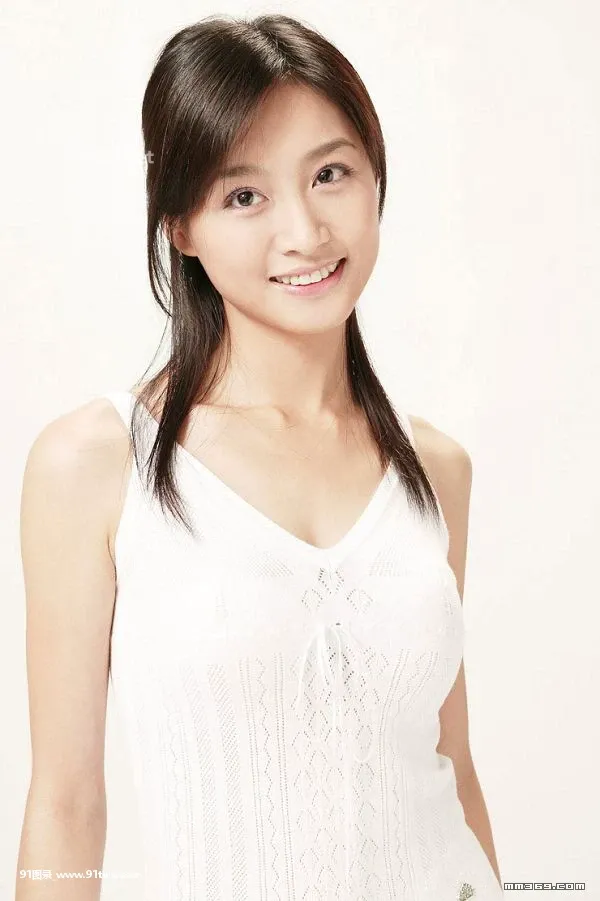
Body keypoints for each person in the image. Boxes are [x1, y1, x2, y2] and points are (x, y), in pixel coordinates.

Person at [16, 13, 504, 901]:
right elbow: (66, 805)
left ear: (376, 178)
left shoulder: (436, 470)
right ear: (180, 226)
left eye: (330, 174)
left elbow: (454, 764)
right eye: (245, 195)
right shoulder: (95, 465)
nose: (306, 231)